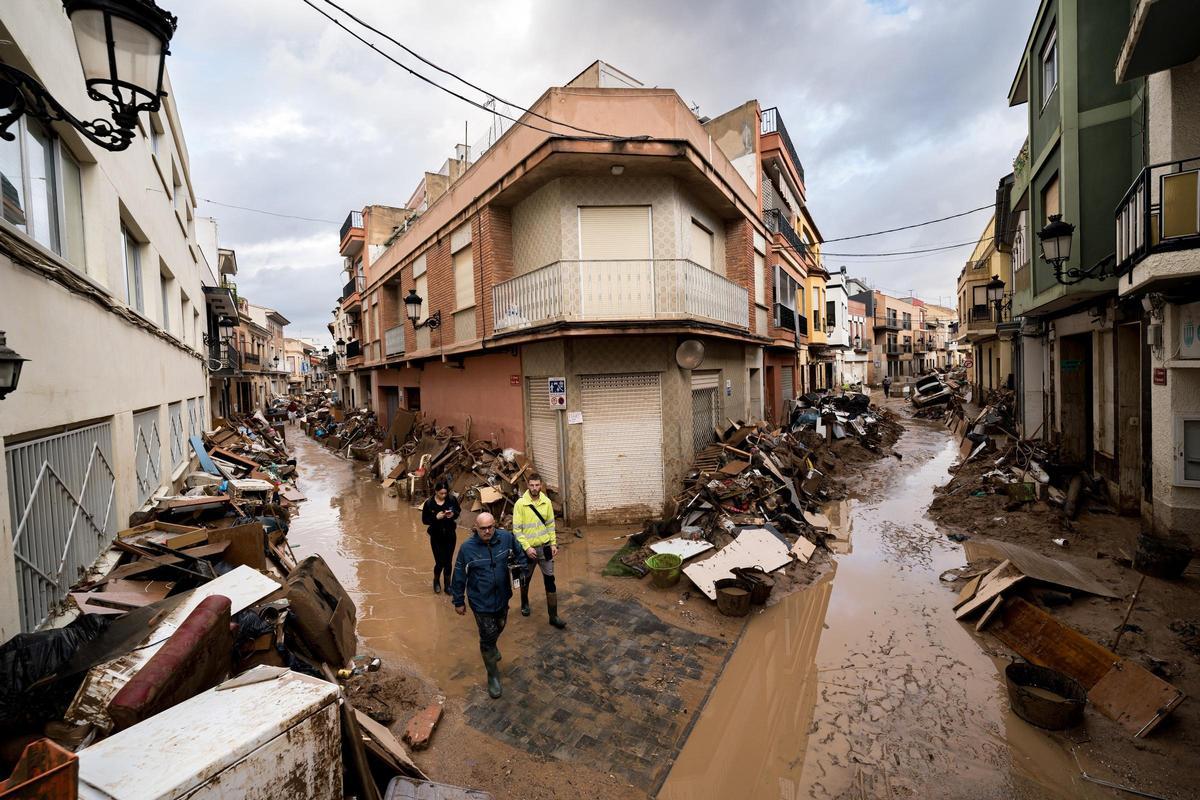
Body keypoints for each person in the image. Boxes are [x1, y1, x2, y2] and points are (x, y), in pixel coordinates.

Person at [450, 512, 525, 699]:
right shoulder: (467, 548)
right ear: (475, 528)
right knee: (487, 637)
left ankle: (492, 644)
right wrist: (458, 601)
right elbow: (459, 575)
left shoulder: (506, 538)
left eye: (491, 527)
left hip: (502, 597)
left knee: (500, 625)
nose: (487, 531)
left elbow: (519, 553)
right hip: (480, 602)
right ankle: (493, 676)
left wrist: (520, 569)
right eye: (483, 528)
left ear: (495, 525)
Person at [512, 473, 566, 629]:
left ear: (541, 485)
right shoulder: (520, 504)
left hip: (545, 548)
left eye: (537, 485)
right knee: (525, 579)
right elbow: (517, 530)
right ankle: (524, 602)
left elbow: (550, 525)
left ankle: (553, 616)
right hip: (528, 551)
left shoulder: (546, 502)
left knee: (550, 580)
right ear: (527, 485)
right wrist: (527, 547)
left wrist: (553, 543)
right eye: (532, 485)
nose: (535, 488)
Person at [421, 481, 460, 593]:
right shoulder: (429, 503)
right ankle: (436, 581)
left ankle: (448, 584)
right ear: (436, 492)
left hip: (450, 535)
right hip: (436, 536)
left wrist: (453, 515)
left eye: (445, 493)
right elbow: (424, 520)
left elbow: (458, 511)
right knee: (439, 562)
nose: (443, 495)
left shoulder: (451, 500)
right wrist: (435, 517)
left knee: (448, 562)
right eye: (441, 493)